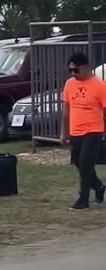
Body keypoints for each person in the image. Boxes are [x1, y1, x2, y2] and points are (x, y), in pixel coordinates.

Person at [60, 52, 106, 210]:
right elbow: (66, 110)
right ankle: (98, 187)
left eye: (76, 70)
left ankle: (83, 198)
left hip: (93, 130)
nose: (73, 74)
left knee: (86, 163)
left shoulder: (99, 85)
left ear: (86, 68)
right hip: (75, 131)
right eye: (71, 70)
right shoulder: (69, 84)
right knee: (79, 163)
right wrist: (64, 132)